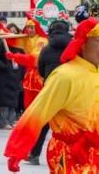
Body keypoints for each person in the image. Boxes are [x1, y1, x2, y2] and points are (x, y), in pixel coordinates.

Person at [5, 19, 99, 173]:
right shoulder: (64, 76)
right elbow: (36, 113)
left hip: (98, 155)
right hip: (69, 155)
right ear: (83, 44)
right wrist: (17, 150)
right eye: (98, 40)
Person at [24, 18, 72, 165]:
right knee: (69, 126)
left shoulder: (46, 49)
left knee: (43, 124)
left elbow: (41, 70)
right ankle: (68, 156)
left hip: (50, 90)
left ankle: (34, 154)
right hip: (70, 91)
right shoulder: (73, 47)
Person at [6, 18, 48, 108]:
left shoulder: (42, 40)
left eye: (32, 28)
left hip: (39, 75)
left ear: (37, 28)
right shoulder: (27, 38)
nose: (29, 30)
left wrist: (15, 56)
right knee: (28, 104)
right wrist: (4, 30)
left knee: (39, 104)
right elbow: (12, 41)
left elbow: (34, 59)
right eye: (28, 27)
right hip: (29, 75)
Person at [0, 39, 23, 130]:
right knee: (3, 101)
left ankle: (11, 121)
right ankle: (4, 122)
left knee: (13, 101)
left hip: (15, 75)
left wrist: (21, 72)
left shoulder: (20, 44)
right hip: (4, 76)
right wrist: (4, 67)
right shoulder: (2, 44)